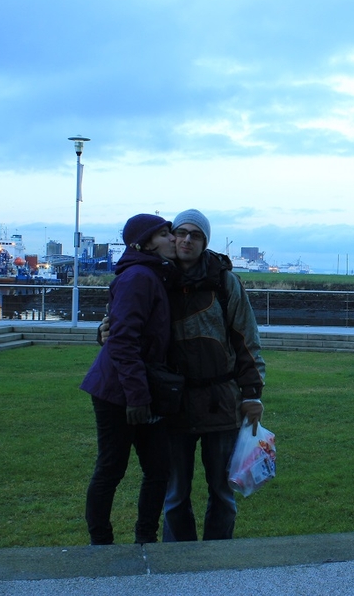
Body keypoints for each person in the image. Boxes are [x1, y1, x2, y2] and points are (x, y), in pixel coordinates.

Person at [162, 208, 265, 541]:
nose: (187, 240)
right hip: (172, 403)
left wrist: (251, 394)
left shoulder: (225, 282)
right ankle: (179, 562)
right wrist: (105, 330)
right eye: (181, 233)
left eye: (195, 235)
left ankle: (218, 562)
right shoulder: (156, 279)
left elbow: (247, 340)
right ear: (172, 235)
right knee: (175, 496)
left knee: (222, 493)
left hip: (220, 403)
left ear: (205, 242)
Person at [80, 213, 178, 545]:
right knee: (111, 468)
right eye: (165, 234)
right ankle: (102, 543)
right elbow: (122, 340)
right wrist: (137, 398)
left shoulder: (153, 274)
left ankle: (144, 540)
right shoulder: (139, 276)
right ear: (146, 242)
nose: (173, 239)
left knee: (158, 469)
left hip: (139, 386)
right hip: (117, 390)